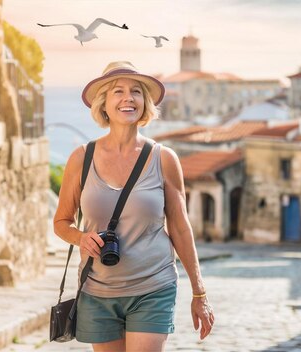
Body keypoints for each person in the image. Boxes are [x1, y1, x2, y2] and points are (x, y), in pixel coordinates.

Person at [53, 61, 214, 352]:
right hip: (97, 290)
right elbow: (61, 222)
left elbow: (179, 226)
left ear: (145, 103)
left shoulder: (163, 158)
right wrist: (80, 238)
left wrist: (199, 292)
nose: (128, 98)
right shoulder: (81, 159)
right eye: (118, 91)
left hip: (153, 286)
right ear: (104, 104)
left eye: (136, 92)